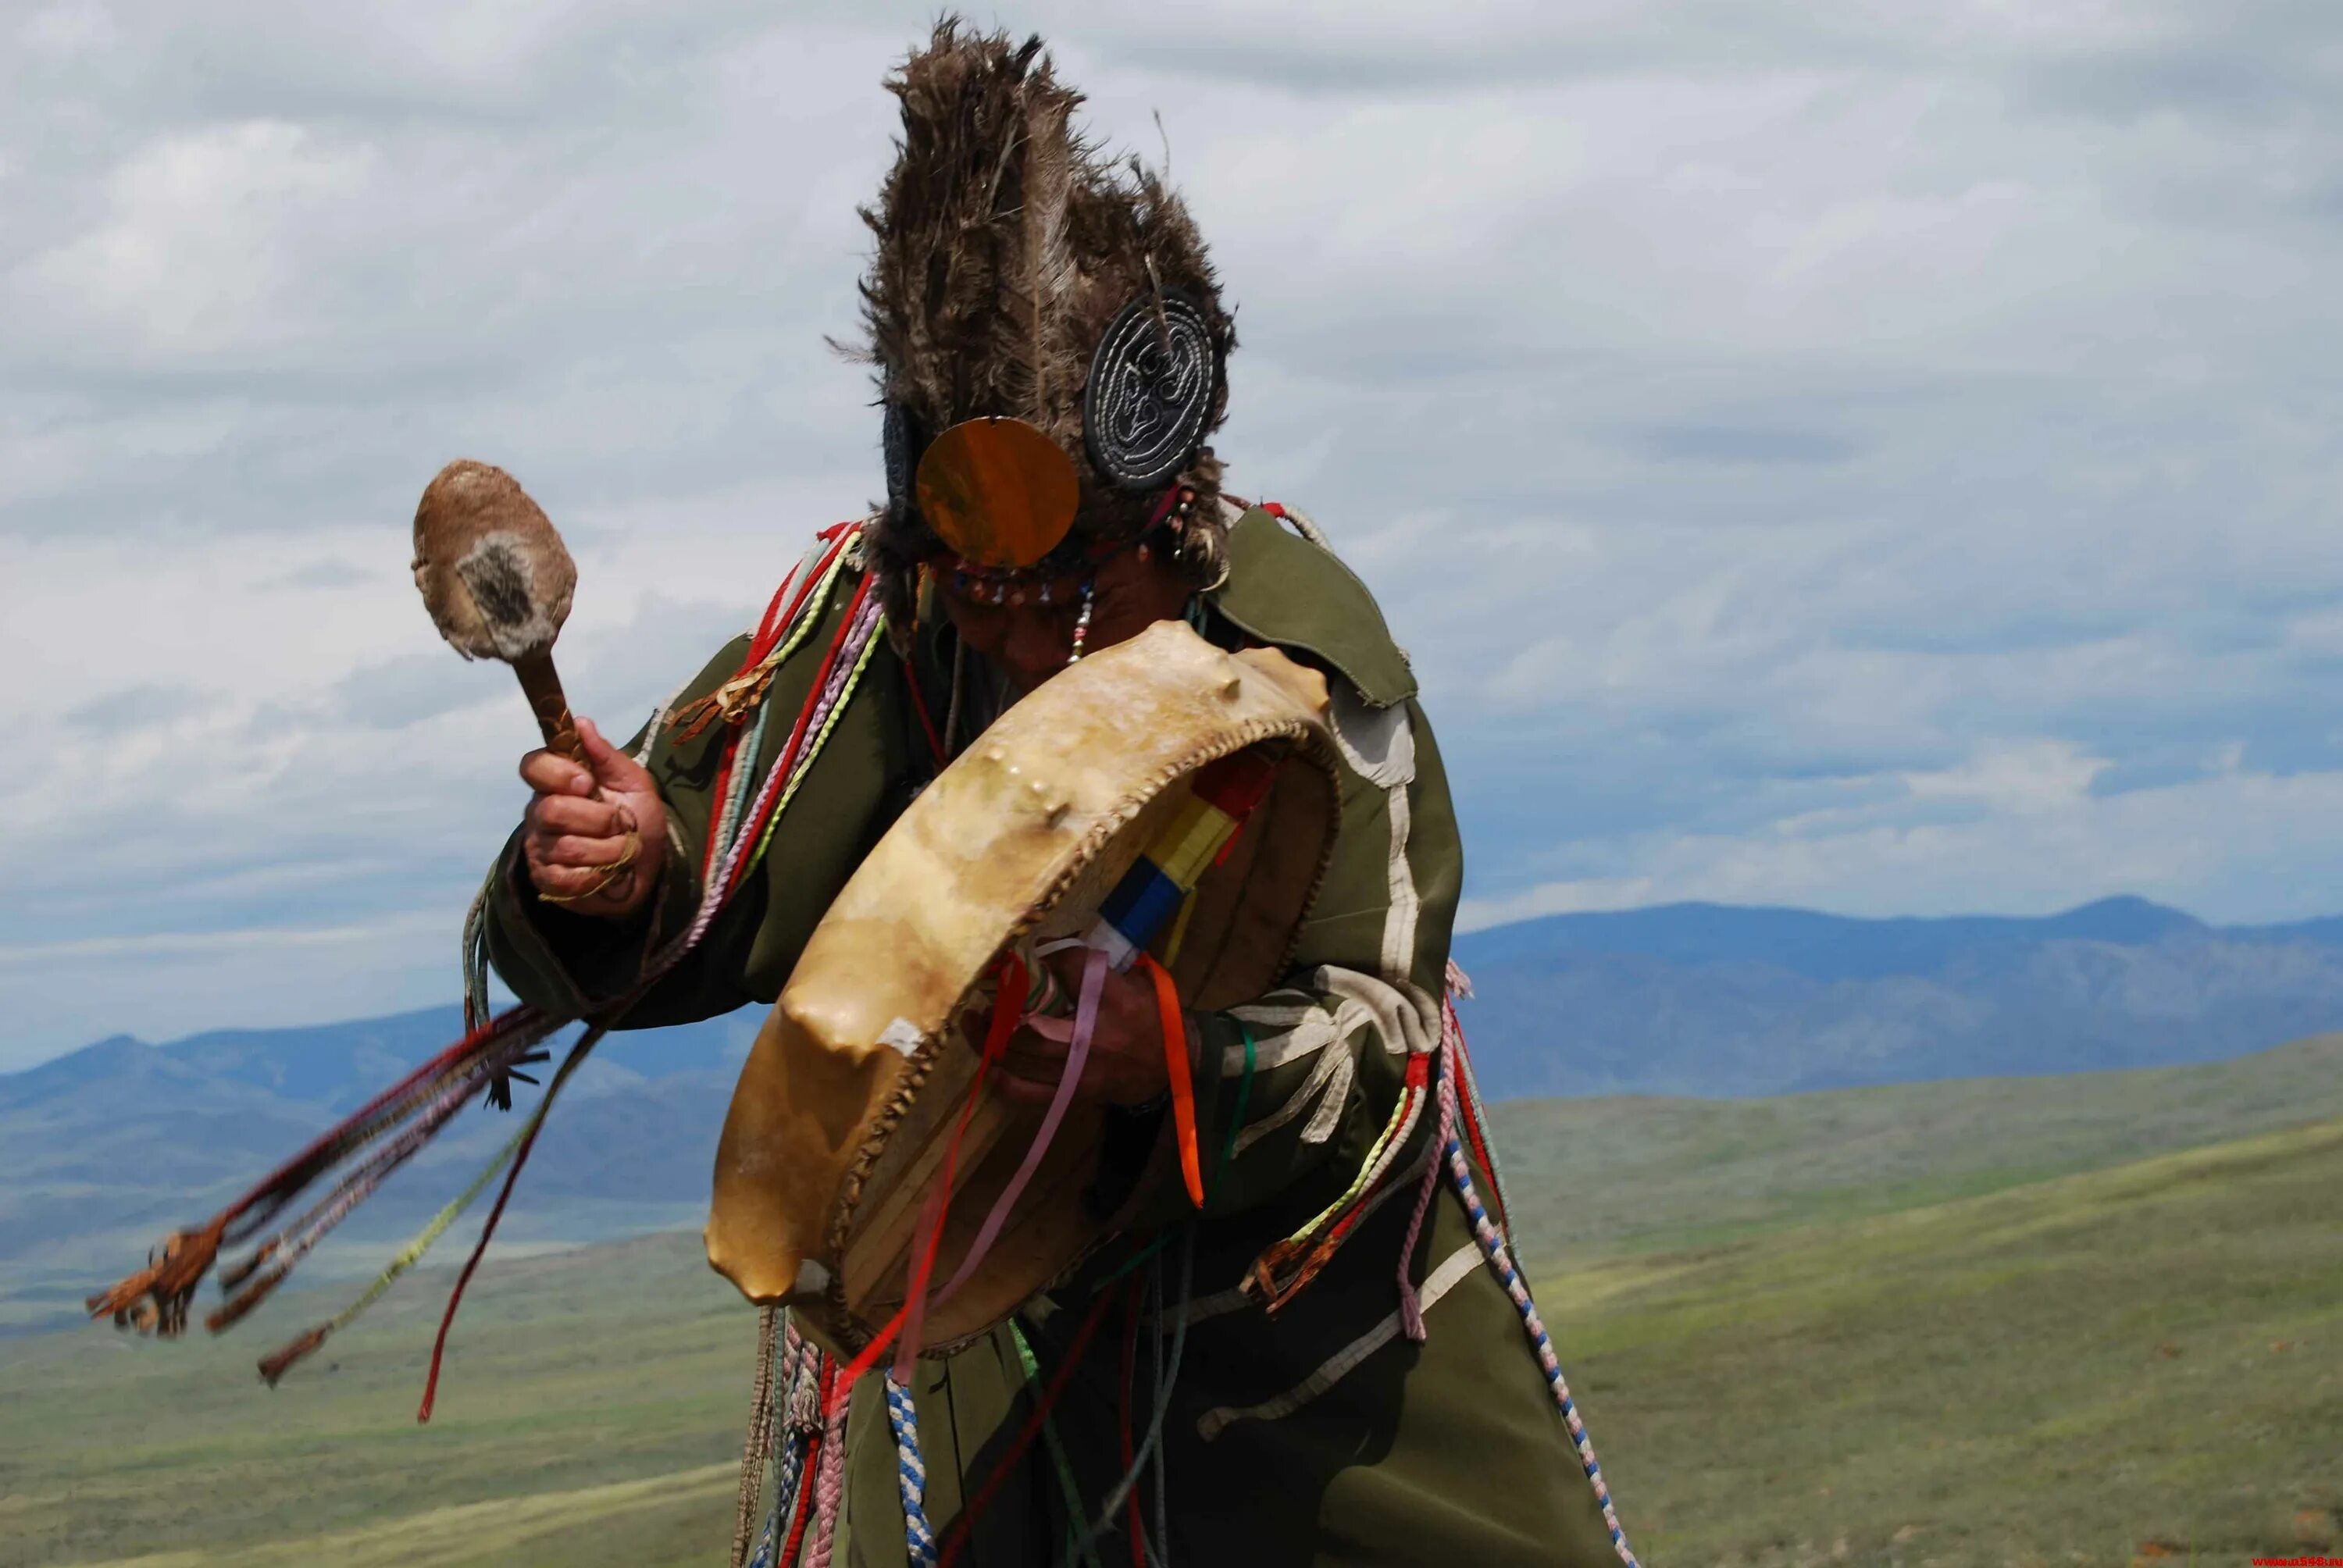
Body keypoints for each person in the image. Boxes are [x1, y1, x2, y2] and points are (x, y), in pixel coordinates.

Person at [481, 20, 1633, 1567]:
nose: (1009, 632)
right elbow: (703, 873)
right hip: (983, 1357)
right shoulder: (873, 637)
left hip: (1305, 1364)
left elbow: (1384, 1031)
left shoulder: (1303, 655)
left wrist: (1167, 1054)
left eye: (1058, 591)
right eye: (972, 589)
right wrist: (621, 869)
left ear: (1165, 513)